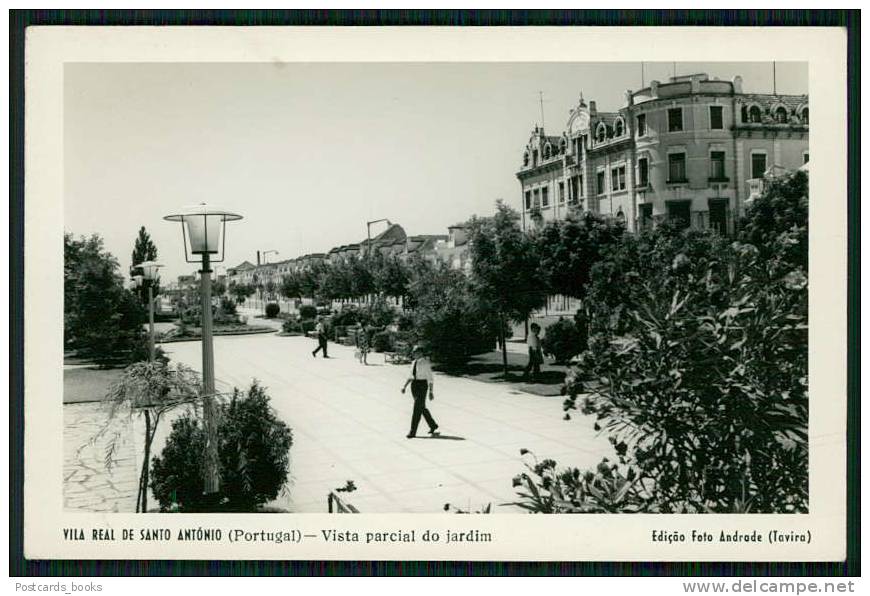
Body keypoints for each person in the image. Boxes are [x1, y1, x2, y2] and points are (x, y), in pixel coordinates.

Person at [400, 346, 439, 439]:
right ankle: (433, 425)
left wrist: (431, 391)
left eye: (415, 352)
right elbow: (411, 376)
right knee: (421, 407)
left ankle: (412, 431)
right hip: (414, 385)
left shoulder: (425, 363)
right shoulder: (414, 362)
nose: (413, 353)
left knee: (416, 409)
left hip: (422, 385)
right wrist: (404, 386)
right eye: (413, 352)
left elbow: (430, 378)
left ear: (421, 353)